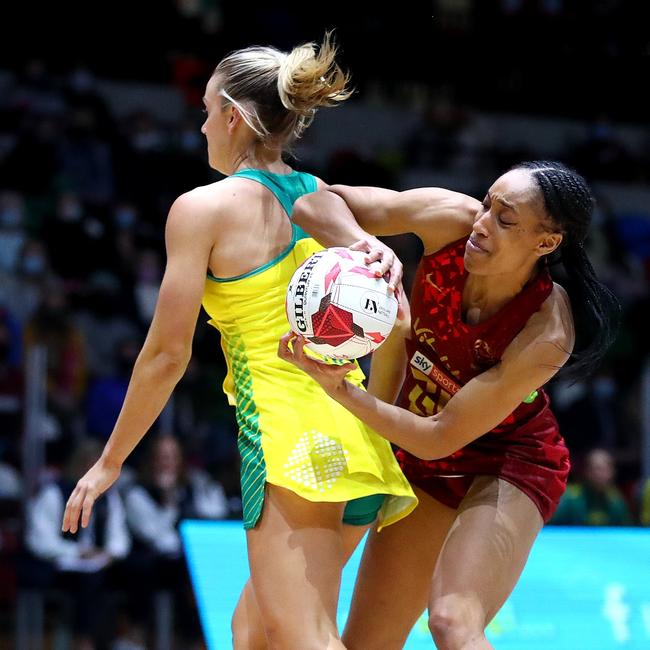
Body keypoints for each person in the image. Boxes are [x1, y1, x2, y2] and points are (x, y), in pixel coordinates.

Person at [61, 34, 416, 650]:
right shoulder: (320, 196)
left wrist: (110, 461)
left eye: (204, 111)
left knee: (304, 639)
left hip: (288, 445)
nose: (200, 129)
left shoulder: (202, 209)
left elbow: (167, 356)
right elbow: (399, 327)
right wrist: (378, 418)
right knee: (251, 635)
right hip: (354, 440)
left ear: (231, 115)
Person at [284, 160, 620, 649]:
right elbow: (313, 202)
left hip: (509, 461)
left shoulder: (548, 330)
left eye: (506, 220)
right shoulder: (449, 220)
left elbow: (442, 435)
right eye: (487, 204)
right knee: (365, 643)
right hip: (421, 453)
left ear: (546, 242)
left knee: (452, 621)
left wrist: (341, 389)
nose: (482, 224)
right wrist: (368, 246)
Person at [550, 447, 632, 526]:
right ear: (586, 471)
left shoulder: (616, 500)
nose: (602, 474)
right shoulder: (570, 498)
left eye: (606, 469)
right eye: (598, 469)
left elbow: (624, 531)